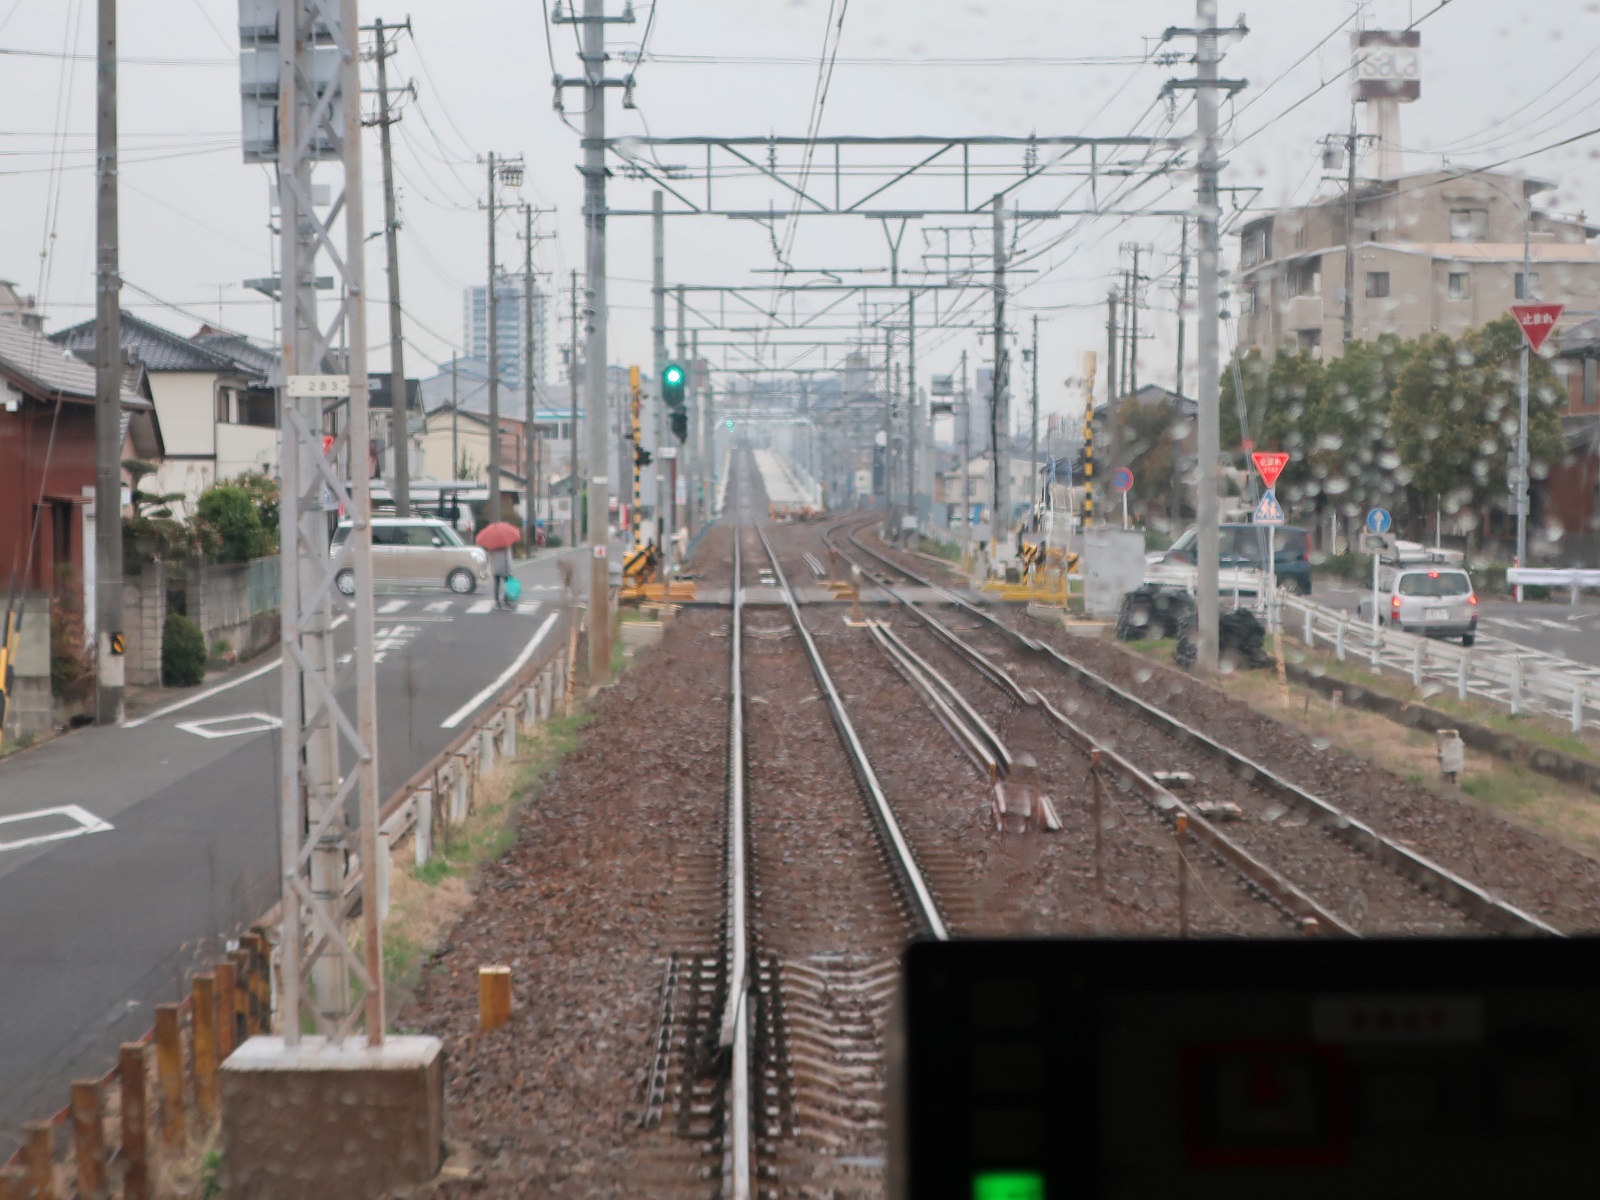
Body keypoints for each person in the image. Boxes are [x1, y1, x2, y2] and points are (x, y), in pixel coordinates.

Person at [489, 545, 514, 609]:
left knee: (496, 584)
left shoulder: (492, 546)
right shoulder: (506, 546)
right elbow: (508, 559)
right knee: (507, 584)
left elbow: (491, 557)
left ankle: (497, 601)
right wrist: (510, 570)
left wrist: (492, 568)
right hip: (504, 568)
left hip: (495, 568)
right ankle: (506, 600)